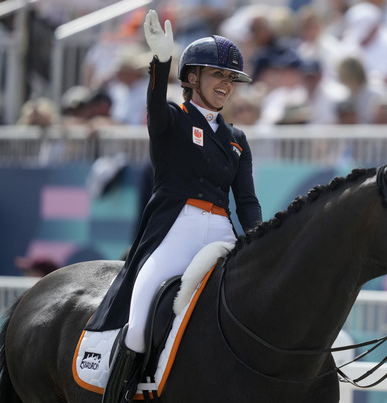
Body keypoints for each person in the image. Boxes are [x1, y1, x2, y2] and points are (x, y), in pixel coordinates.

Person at [86, 10, 262, 402]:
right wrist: (161, 62)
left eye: (231, 78)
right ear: (192, 78)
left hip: (220, 231)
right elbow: (154, 100)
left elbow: (246, 201)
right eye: (218, 75)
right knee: (137, 321)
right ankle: (121, 391)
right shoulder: (172, 120)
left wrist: (257, 240)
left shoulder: (236, 139)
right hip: (175, 229)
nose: (226, 84)